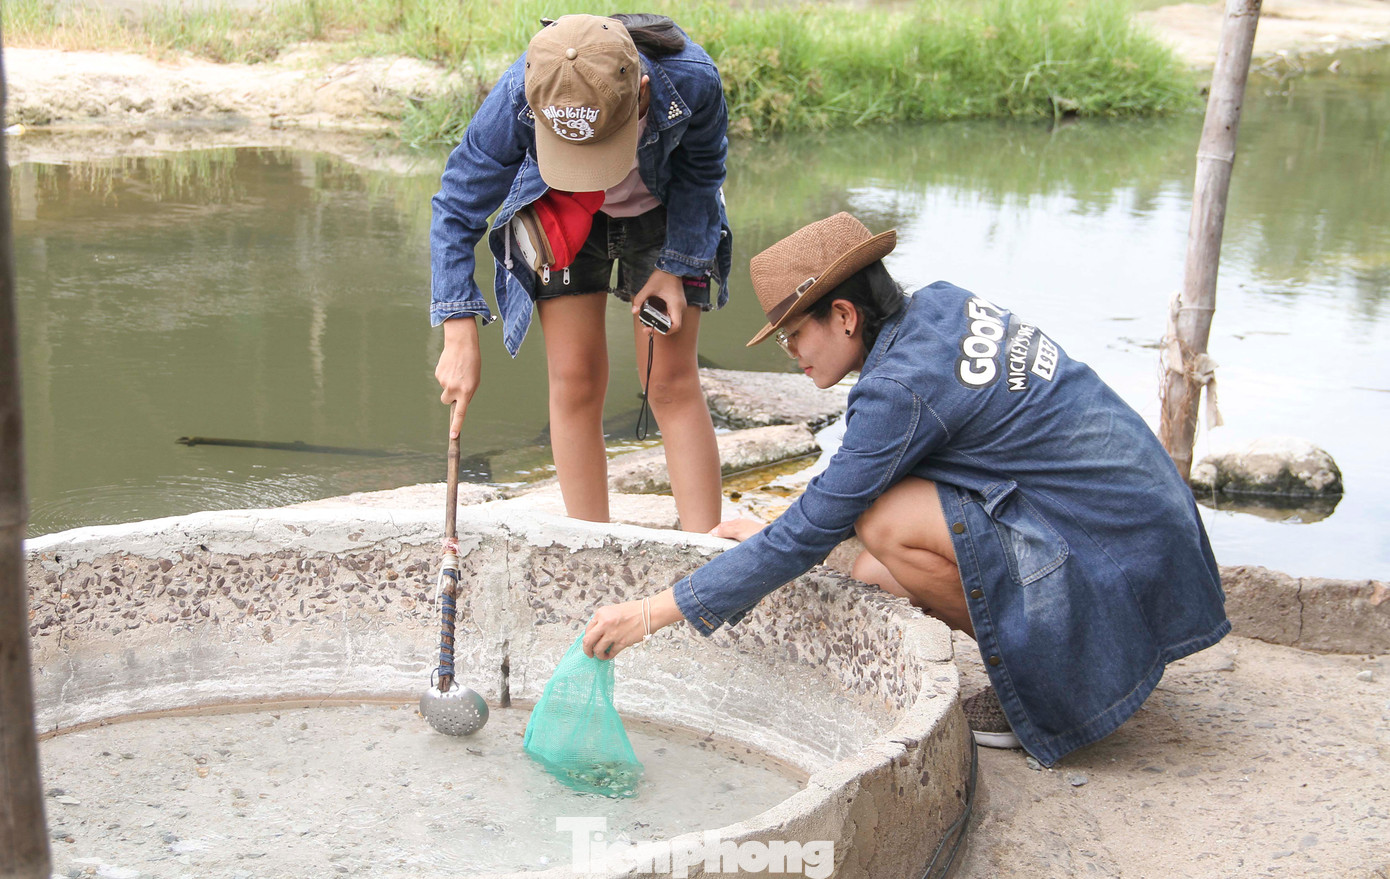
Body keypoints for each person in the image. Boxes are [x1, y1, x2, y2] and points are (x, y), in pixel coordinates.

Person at [580, 212, 1230, 767]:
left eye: (792, 334)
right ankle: (1058, 651)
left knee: (884, 523)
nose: (791, 353)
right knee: (877, 570)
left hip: (1119, 555)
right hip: (1149, 531)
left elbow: (825, 518)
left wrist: (651, 611)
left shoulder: (897, 388)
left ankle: (1052, 682)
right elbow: (839, 493)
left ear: (843, 315)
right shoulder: (938, 307)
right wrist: (781, 527)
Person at [430, 13, 731, 532]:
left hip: (665, 215)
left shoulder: (690, 79)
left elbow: (703, 174)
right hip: (564, 212)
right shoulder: (520, 92)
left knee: (669, 382)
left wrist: (675, 268)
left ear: (640, 91)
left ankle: (704, 560)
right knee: (574, 380)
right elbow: (456, 206)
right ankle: (591, 547)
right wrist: (458, 332)